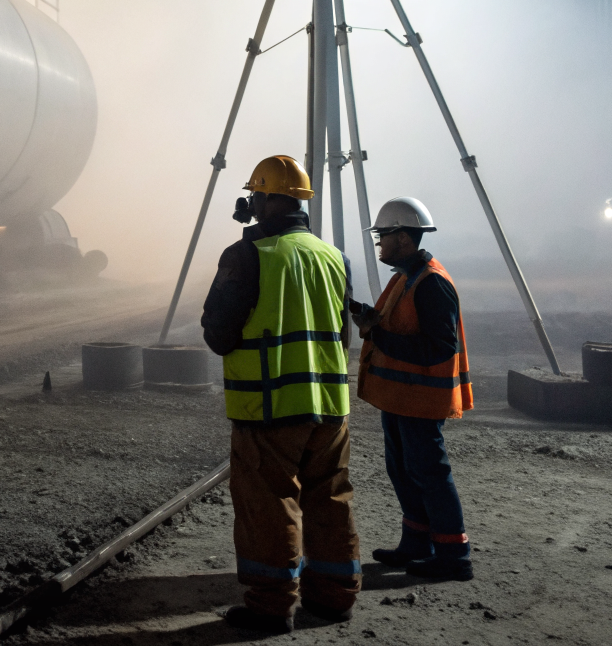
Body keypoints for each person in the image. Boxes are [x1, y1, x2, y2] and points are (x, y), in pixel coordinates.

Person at [201, 155, 360, 634]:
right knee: (330, 498)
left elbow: (218, 335)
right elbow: (340, 333)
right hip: (330, 407)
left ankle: (271, 606)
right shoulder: (334, 257)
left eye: (255, 195)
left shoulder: (248, 254)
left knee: (267, 505)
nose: (250, 203)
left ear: (267, 200)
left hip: (268, 405)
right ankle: (334, 598)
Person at [352, 196, 475, 582]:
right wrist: (361, 313)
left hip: (422, 399)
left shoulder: (431, 284)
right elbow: (394, 324)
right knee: (404, 469)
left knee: (429, 472)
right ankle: (417, 543)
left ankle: (454, 556)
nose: (379, 243)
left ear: (404, 238)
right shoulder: (405, 278)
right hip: (402, 398)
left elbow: (440, 347)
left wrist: (379, 336)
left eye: (384, 236)